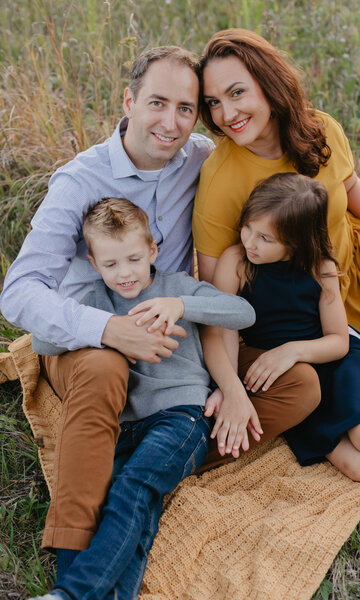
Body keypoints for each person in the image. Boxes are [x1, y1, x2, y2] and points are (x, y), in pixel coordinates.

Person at [0, 46, 216, 565]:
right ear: (129, 101)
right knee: (103, 369)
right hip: (84, 339)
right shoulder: (80, 181)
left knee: (294, 385)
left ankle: (153, 462)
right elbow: (20, 290)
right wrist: (108, 329)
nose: (171, 123)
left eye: (185, 108)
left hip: (169, 326)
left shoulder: (202, 156)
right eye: (157, 103)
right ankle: (76, 559)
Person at [29, 197, 258, 600]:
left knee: (134, 488)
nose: (126, 274)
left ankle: (69, 594)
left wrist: (181, 305)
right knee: (116, 503)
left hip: (180, 417)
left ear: (152, 250)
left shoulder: (176, 288)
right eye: (111, 264)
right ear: (93, 263)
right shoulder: (97, 302)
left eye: (134, 259)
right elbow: (45, 339)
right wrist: (104, 328)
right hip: (126, 424)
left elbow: (243, 313)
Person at [193, 28, 360, 372]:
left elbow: (348, 186)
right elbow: (218, 292)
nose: (226, 115)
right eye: (214, 102)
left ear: (269, 84)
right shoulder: (219, 179)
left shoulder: (321, 128)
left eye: (237, 93)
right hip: (305, 306)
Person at [204, 172, 360, 484]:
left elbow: (339, 341)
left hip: (337, 363)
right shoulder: (237, 262)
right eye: (248, 227)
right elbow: (220, 332)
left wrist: (292, 351)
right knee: (358, 468)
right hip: (295, 381)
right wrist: (229, 388)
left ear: (296, 244)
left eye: (265, 239)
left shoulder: (320, 268)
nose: (249, 242)